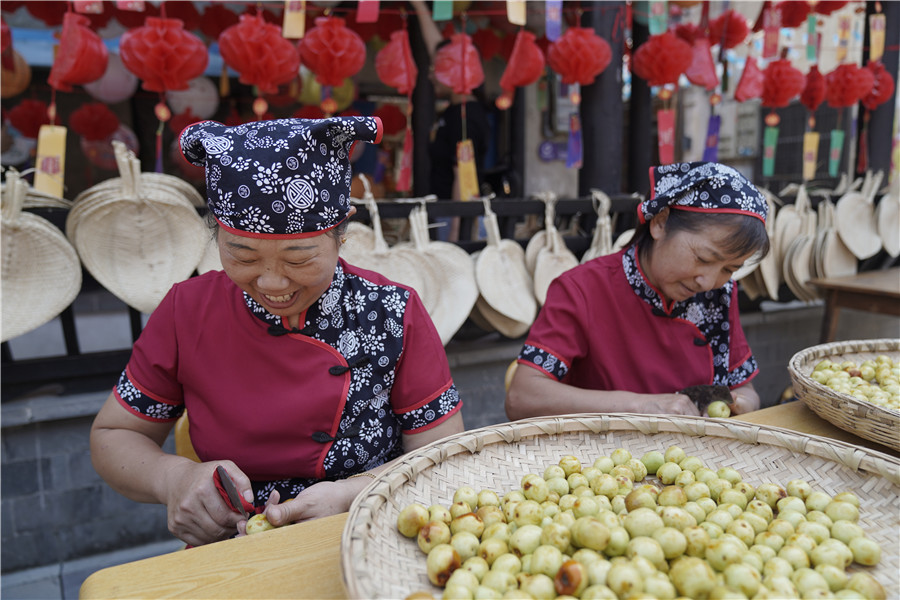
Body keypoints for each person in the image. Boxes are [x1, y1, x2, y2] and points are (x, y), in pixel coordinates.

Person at [90, 116, 464, 547]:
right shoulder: (187, 310)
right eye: (242, 256)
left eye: (299, 259)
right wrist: (174, 478)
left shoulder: (390, 311)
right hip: (235, 544)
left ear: (342, 232)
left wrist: (352, 495)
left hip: (369, 529)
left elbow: (442, 452)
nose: (271, 283)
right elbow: (114, 435)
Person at [505, 162, 768, 421]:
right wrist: (639, 406)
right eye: (704, 258)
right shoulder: (582, 289)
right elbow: (522, 397)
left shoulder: (720, 295)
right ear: (660, 223)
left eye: (729, 269)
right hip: (600, 457)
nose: (708, 282)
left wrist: (743, 404)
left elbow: (744, 388)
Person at [411, 0, 490, 240]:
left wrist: (458, 232)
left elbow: (463, 176)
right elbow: (437, 47)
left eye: (437, 68)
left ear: (454, 72)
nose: (431, 74)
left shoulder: (465, 118)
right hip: (448, 213)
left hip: (456, 218)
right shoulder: (457, 111)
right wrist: (419, 6)